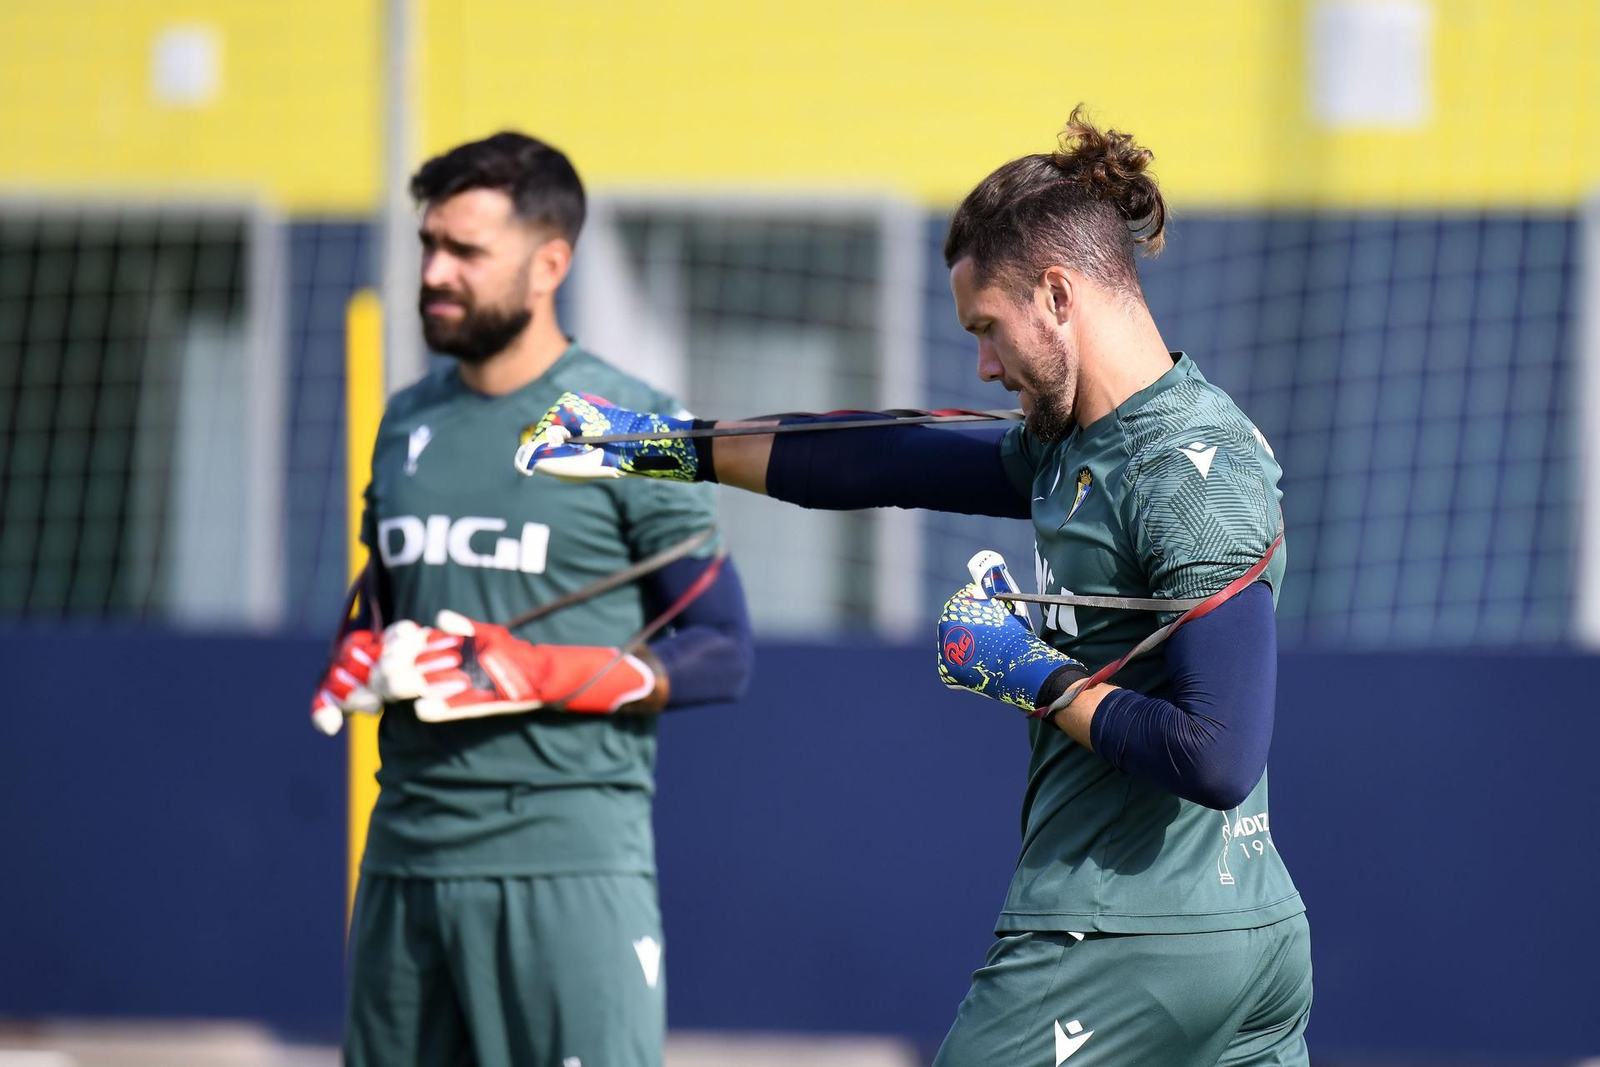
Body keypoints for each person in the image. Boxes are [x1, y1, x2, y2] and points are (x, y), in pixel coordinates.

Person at [518, 107, 1311, 1066]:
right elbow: (887, 460)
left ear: (1058, 294)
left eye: (989, 328)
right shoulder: (1080, 444)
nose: (981, 363)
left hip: (1125, 931)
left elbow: (1219, 756)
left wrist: (1032, 675)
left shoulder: (1192, 471)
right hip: (1239, 941)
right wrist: (670, 448)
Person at [309, 131, 754, 1067]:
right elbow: (388, 585)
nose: (435, 271)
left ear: (551, 262)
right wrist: (359, 637)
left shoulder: (630, 425)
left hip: (566, 867)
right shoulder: (407, 420)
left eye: (465, 251)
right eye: (429, 244)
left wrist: (540, 671)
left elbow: (721, 648)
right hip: (404, 860)